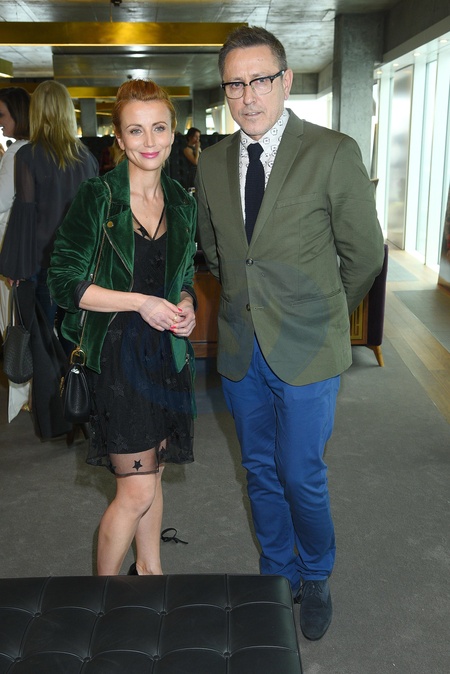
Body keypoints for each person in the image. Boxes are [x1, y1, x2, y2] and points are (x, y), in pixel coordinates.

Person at [195, 26, 385, 641]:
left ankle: (316, 572)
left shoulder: (331, 152)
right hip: (240, 346)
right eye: (235, 84)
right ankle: (277, 570)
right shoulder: (213, 162)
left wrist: (326, 314)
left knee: (301, 472)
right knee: (257, 469)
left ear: (286, 80)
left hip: (309, 348)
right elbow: (216, 252)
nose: (248, 96)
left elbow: (364, 255)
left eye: (260, 80)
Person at [48, 79, 197, 577]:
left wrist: (185, 304)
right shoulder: (99, 196)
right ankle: (103, 598)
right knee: (135, 490)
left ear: (174, 131)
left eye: (159, 128)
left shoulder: (181, 200)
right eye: (136, 130)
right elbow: (63, 282)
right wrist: (139, 303)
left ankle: (150, 573)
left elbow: (183, 275)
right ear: (119, 137)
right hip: (115, 359)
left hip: (166, 358)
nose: (149, 141)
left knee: (153, 478)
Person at [0, 80, 99, 330]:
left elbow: (24, 212)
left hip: (40, 261)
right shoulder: (87, 159)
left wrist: (15, 265)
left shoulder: (28, 155)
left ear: (36, 111)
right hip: (79, 262)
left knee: (40, 337)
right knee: (72, 334)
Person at [0, 86, 31, 422]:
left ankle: (22, 391)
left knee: (12, 323)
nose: (0, 121)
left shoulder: (15, 154)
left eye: (3, 114)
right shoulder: (36, 150)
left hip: (8, 244)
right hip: (25, 247)